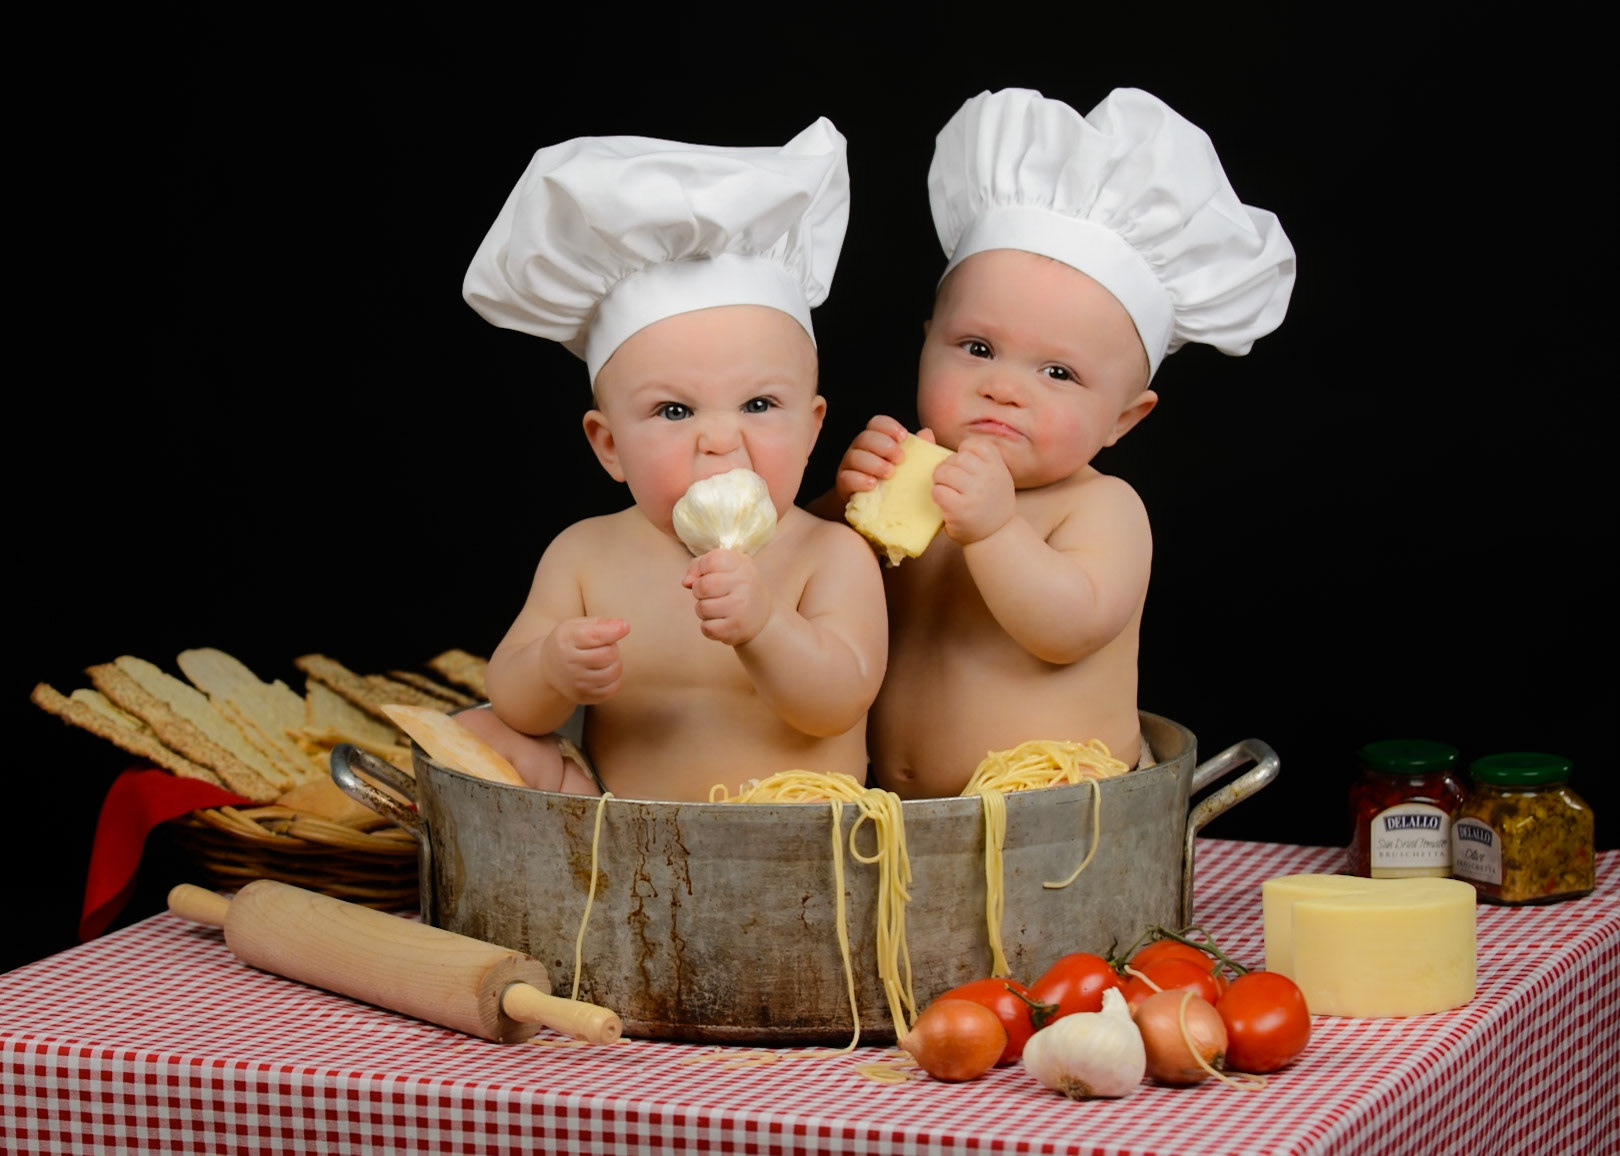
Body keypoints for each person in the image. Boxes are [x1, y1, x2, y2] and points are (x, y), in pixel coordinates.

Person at [823, 88, 1295, 798]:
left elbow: (1067, 627)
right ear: (926, 347)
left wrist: (995, 531)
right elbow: (811, 584)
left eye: (1058, 372)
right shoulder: (913, 474)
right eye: (977, 347)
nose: (1006, 388)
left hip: (1057, 819)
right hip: (900, 823)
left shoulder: (1101, 508)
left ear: (1123, 421)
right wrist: (840, 504)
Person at [458, 118, 888, 802]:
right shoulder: (585, 556)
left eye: (758, 405)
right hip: (626, 843)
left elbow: (837, 700)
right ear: (609, 446)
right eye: (674, 412)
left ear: (811, 432)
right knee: (482, 731)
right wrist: (551, 670)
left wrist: (766, 626)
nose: (718, 440)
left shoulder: (829, 557)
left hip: (795, 839)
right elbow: (513, 696)